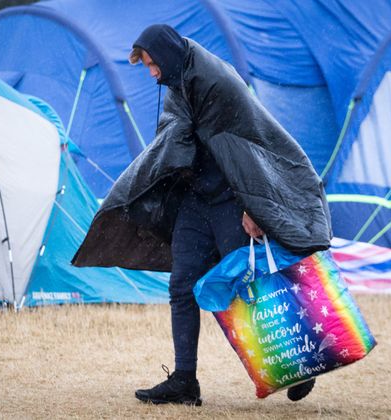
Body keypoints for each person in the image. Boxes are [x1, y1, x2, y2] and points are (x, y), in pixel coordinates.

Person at [72, 24, 332, 406]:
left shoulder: (215, 81)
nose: (152, 73)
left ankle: (297, 363)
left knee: (247, 285)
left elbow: (246, 148)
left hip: (232, 198)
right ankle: (184, 381)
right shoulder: (179, 82)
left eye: (152, 64)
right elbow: (175, 138)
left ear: (168, 55)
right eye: (147, 66)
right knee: (182, 286)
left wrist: (252, 206)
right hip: (197, 199)